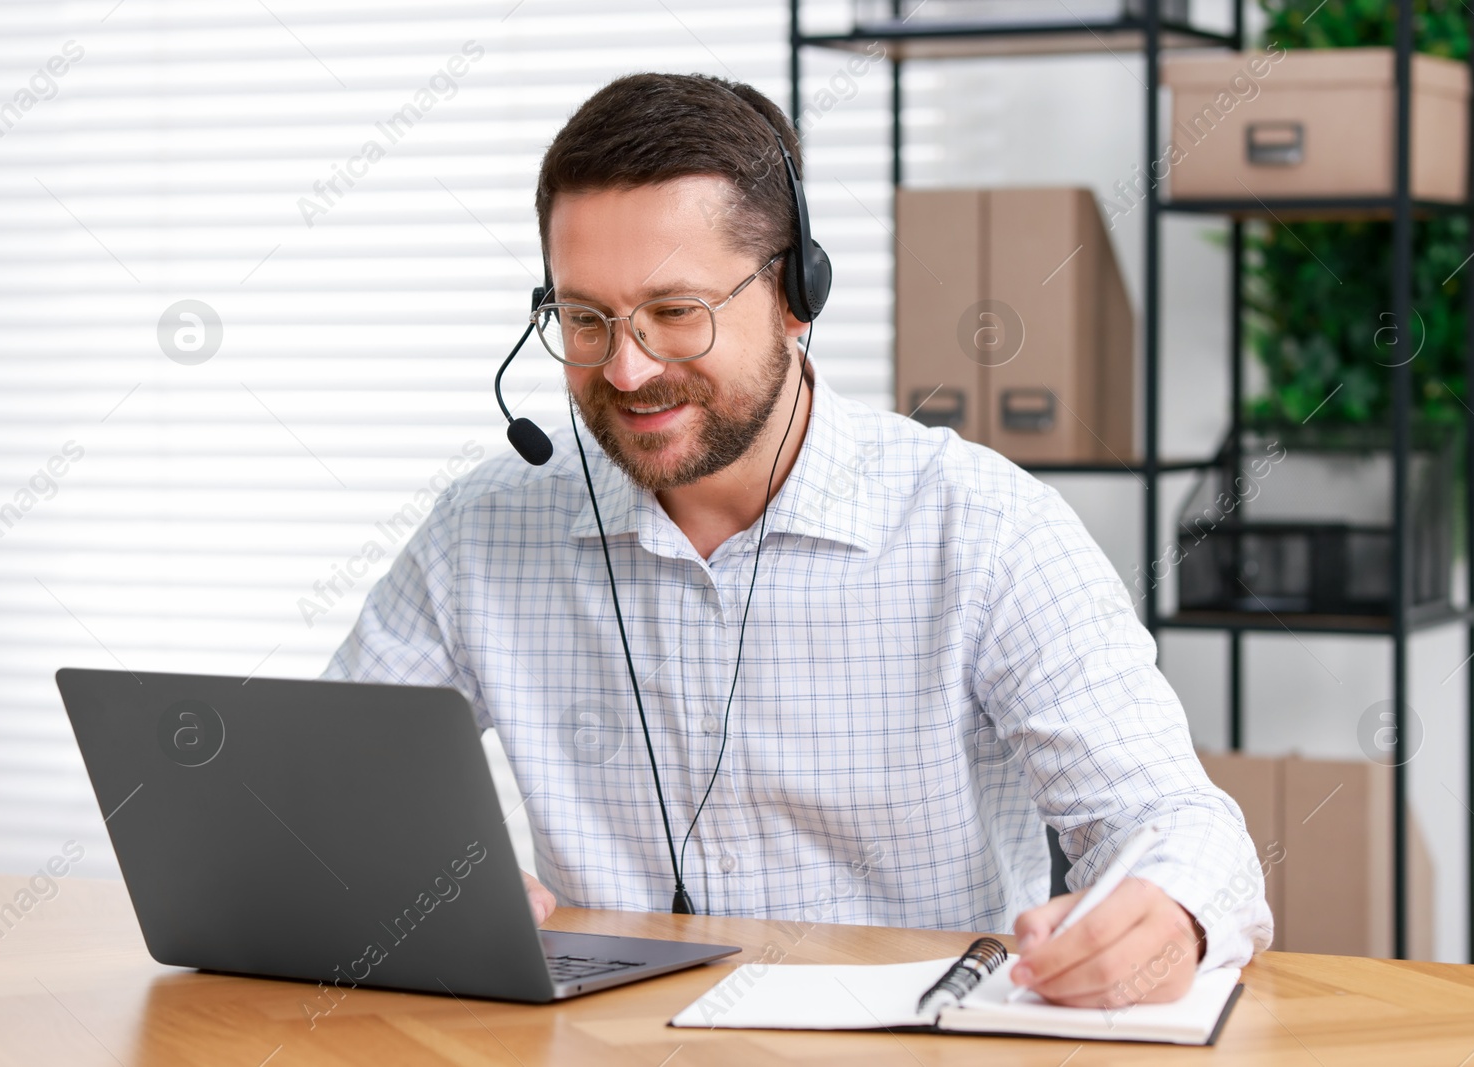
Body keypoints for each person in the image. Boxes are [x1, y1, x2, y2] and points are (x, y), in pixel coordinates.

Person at [324, 71, 1272, 1009]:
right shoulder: (480, 533)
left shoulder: (983, 528)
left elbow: (1173, 822)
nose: (628, 366)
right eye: (584, 319)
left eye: (674, 313)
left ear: (793, 293)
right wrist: (409, 879)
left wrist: (1172, 913)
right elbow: (321, 788)